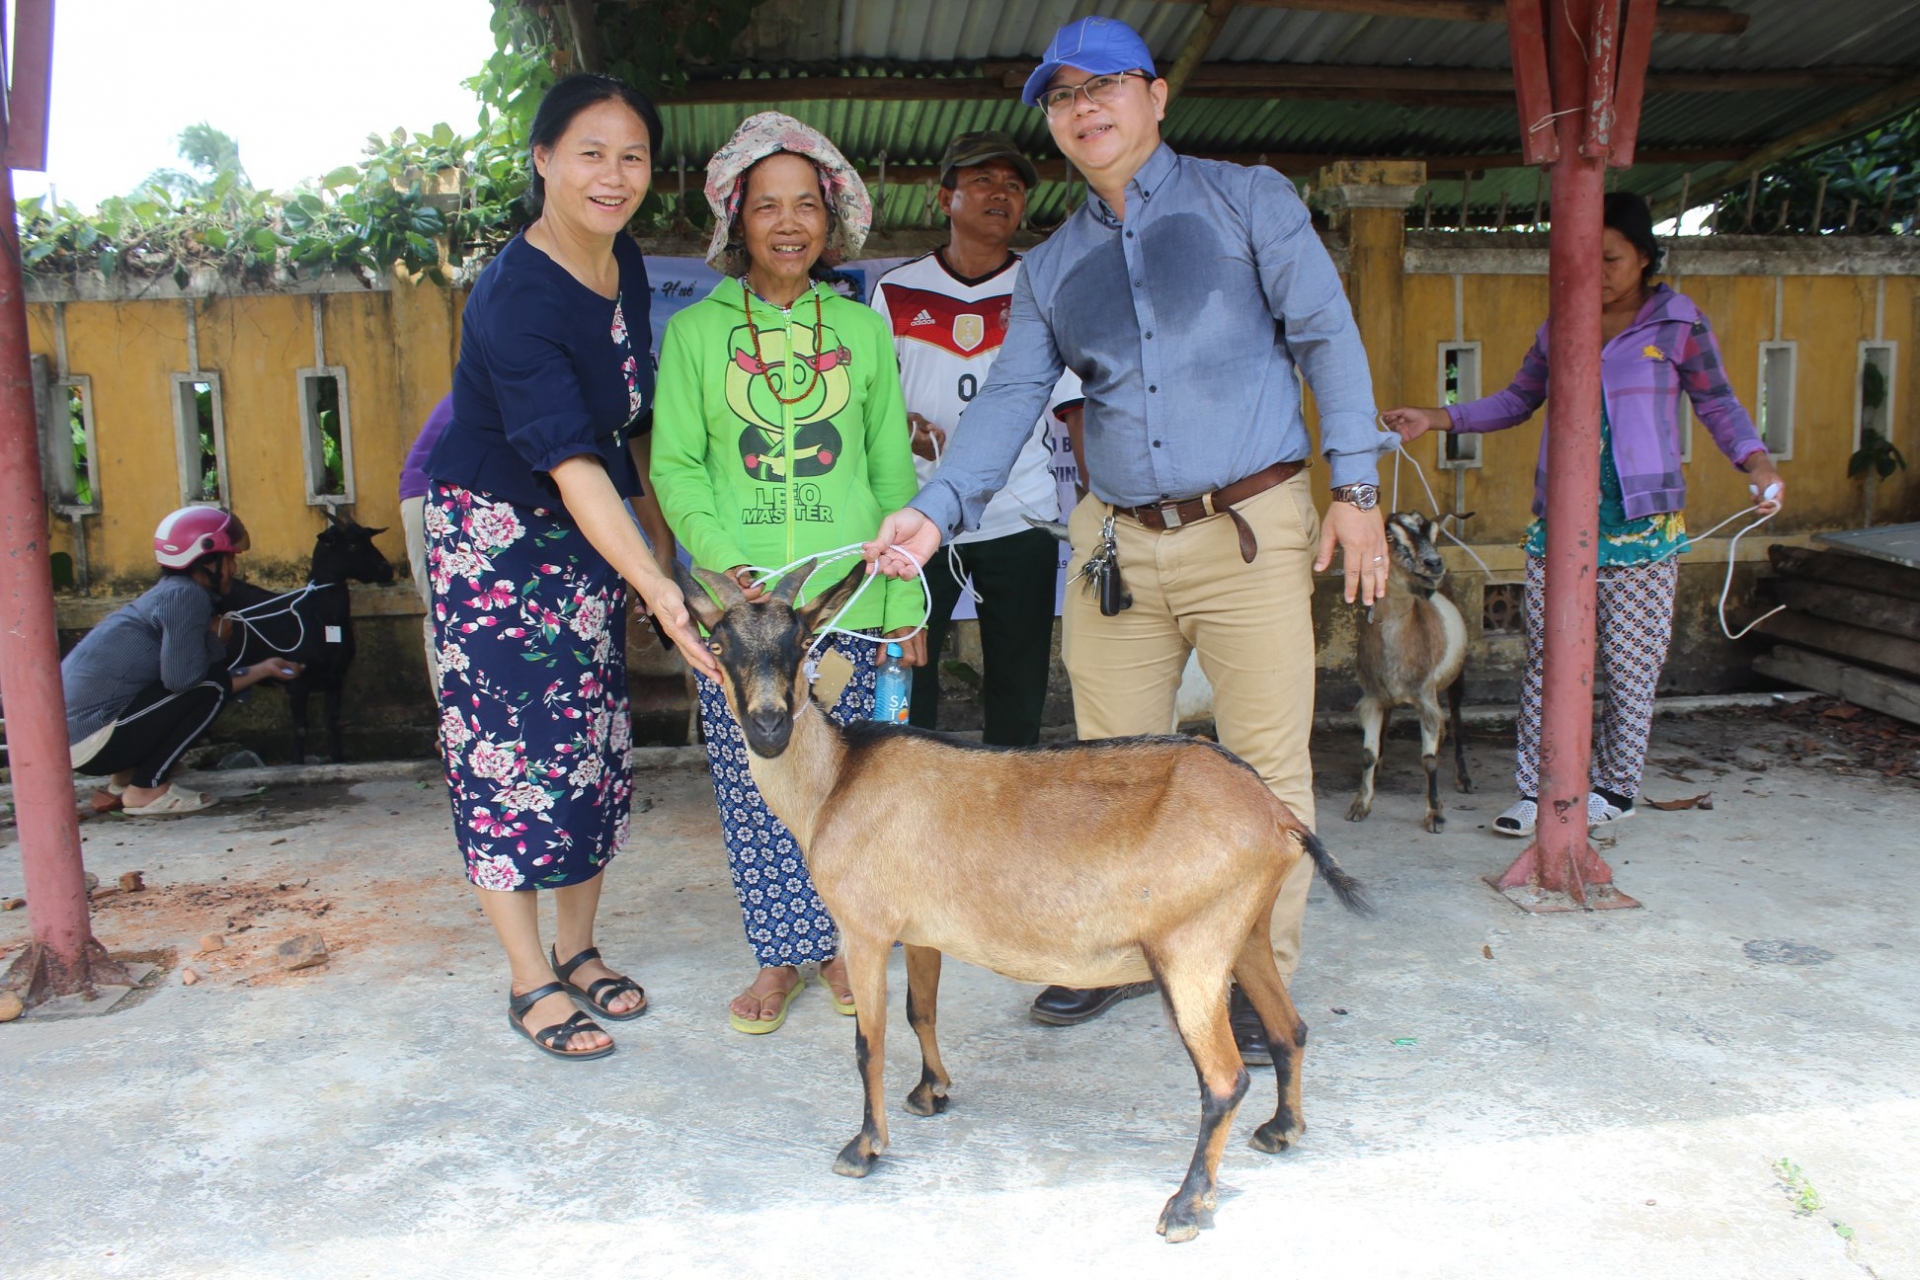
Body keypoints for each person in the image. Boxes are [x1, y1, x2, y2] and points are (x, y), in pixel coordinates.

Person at [865, 15, 1392, 1064]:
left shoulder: (1248, 202)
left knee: (1263, 771)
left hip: (1248, 526)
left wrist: (1360, 487)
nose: (1083, 108)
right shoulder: (1055, 267)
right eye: (1062, 98)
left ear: (1155, 96)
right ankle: (1112, 954)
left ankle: (1255, 980)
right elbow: (1012, 397)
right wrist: (937, 508)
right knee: (1109, 776)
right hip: (1113, 542)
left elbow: (1328, 333)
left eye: (1103, 85)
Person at [421, 73, 718, 1063]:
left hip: (583, 533)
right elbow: (569, 457)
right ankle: (529, 979)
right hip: (496, 537)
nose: (613, 174)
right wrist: (657, 584)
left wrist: (654, 556)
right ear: (543, 158)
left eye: (632, 154)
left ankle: (578, 946)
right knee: (508, 758)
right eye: (590, 151)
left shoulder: (620, 258)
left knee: (589, 743)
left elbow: (618, 431)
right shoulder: (516, 293)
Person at [1383, 191, 1784, 838]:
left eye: (1612, 259)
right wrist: (1438, 417)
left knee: (1630, 666)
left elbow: (1720, 405)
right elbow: (1518, 400)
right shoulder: (1560, 323)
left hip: (1643, 528)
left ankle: (1613, 790)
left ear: (1645, 257)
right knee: (1549, 662)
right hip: (1562, 523)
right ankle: (1537, 790)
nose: (1598, 273)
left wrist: (1757, 464)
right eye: (1585, 260)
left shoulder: (1678, 322)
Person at [649, 112, 922, 1035]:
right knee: (756, 780)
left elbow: (891, 473)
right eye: (768, 205)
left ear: (832, 217)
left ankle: (850, 942)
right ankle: (779, 957)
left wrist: (900, 599)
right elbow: (677, 466)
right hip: (745, 615)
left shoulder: (861, 330)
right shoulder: (694, 335)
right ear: (736, 221)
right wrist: (724, 566)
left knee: (866, 787)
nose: (789, 221)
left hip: (852, 603)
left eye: (807, 203)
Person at [870, 131, 1082, 746]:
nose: (1002, 194)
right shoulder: (898, 289)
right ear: (944, 197)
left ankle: (1009, 817)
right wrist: (904, 425)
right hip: (919, 516)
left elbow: (1072, 404)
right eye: (983, 181)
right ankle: (922, 809)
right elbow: (871, 403)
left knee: (1019, 686)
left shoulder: (1041, 286)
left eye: (1014, 186)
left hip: (1022, 514)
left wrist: (1097, 503)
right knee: (915, 673)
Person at [63, 506, 302, 817]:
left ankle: (125, 777)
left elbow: (173, 683)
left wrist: (262, 669)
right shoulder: (187, 596)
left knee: (209, 682)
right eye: (229, 559)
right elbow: (186, 682)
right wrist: (217, 642)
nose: (232, 568)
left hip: (77, 740)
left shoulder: (170, 592)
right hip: (92, 742)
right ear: (206, 559)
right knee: (211, 683)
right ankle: (146, 787)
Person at [398, 393, 452, 686]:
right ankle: (450, 725)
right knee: (440, 613)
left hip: (444, 493)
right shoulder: (506, 374)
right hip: (432, 493)